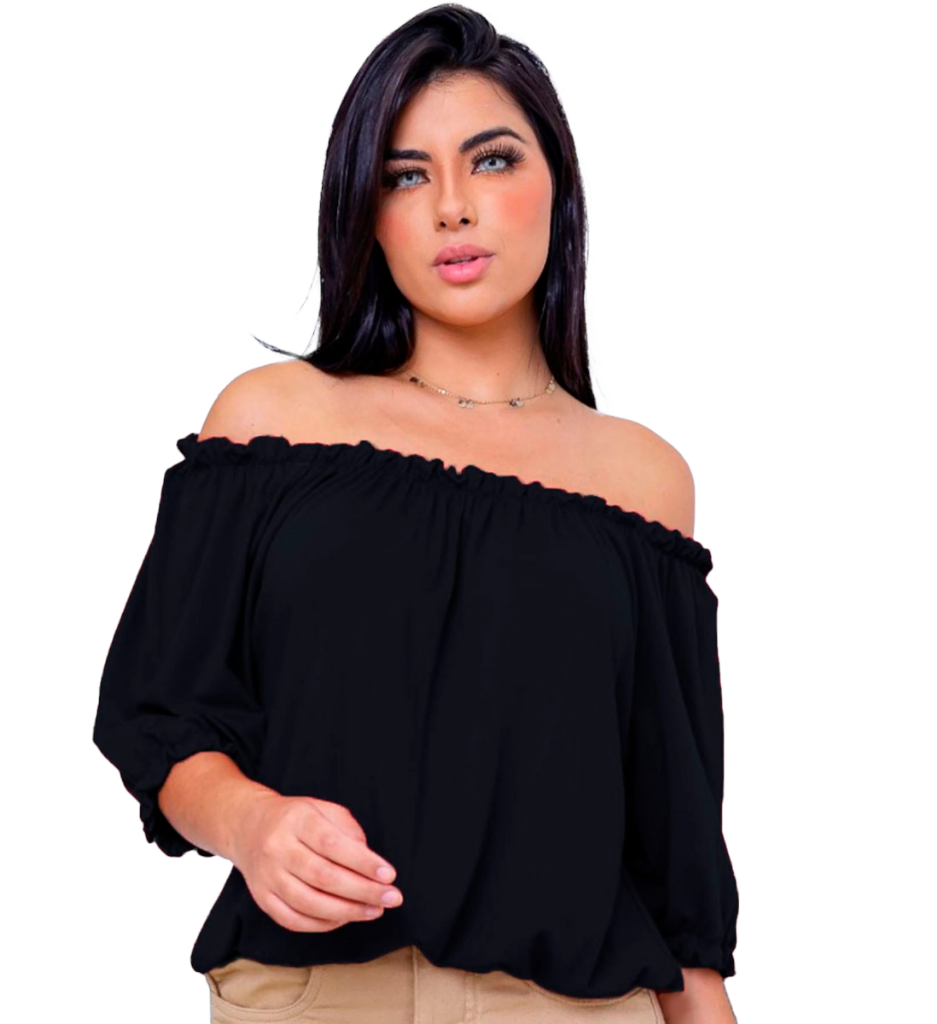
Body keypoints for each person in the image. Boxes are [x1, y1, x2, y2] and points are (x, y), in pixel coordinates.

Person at [92, 6, 739, 1022]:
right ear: (365, 209)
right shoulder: (271, 424)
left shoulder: (643, 480)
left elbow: (675, 853)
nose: (451, 207)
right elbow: (158, 711)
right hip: (316, 995)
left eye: (492, 160)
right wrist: (253, 823)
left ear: (558, 187)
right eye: (404, 175)